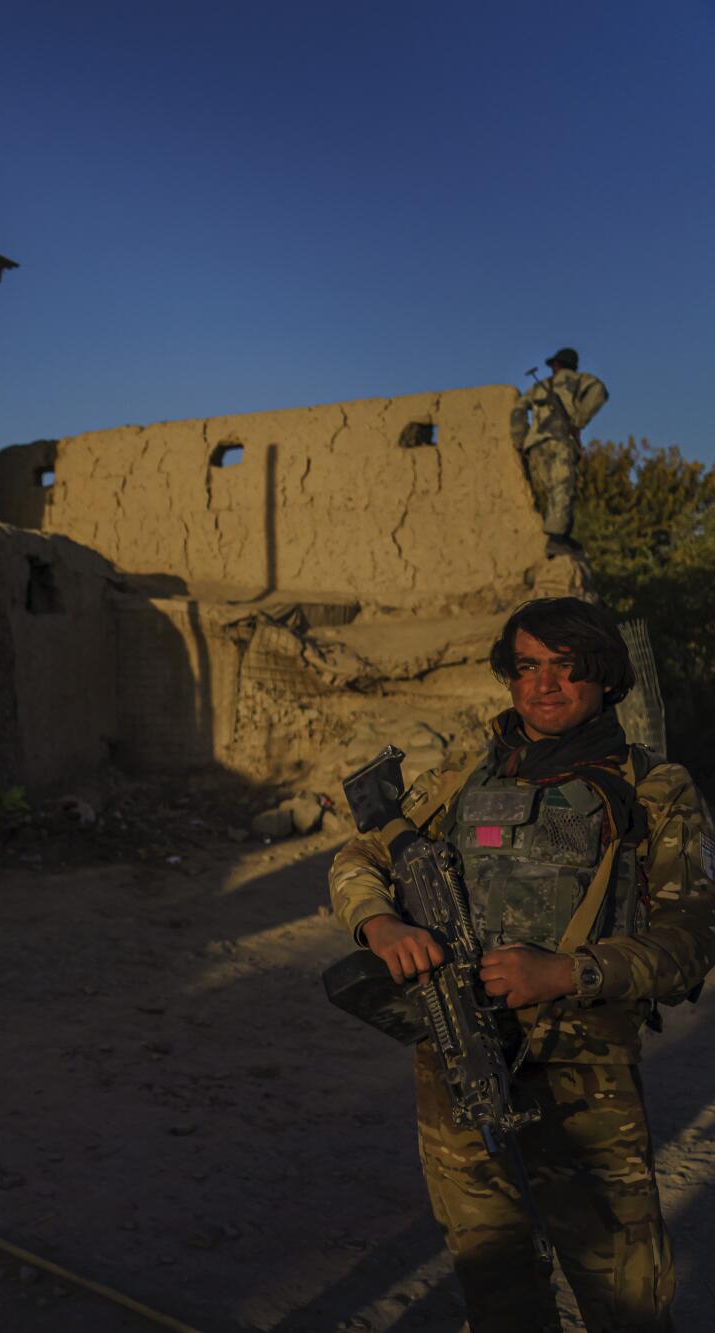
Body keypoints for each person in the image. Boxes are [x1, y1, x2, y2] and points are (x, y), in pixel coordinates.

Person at [328, 597, 714, 1332]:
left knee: (625, 1292)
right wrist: (378, 923)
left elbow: (694, 938)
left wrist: (567, 973)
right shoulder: (465, 774)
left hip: (584, 1077)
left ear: (607, 678)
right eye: (528, 666)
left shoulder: (655, 787)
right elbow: (363, 852)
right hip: (455, 1065)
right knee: (493, 1274)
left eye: (569, 667)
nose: (545, 685)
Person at [513, 347, 609, 555]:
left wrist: (520, 439)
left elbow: (518, 409)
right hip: (559, 441)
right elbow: (599, 391)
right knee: (563, 487)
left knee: (549, 490)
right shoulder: (578, 379)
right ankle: (556, 538)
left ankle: (562, 535)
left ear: (556, 365)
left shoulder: (538, 387)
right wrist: (579, 422)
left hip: (535, 446)